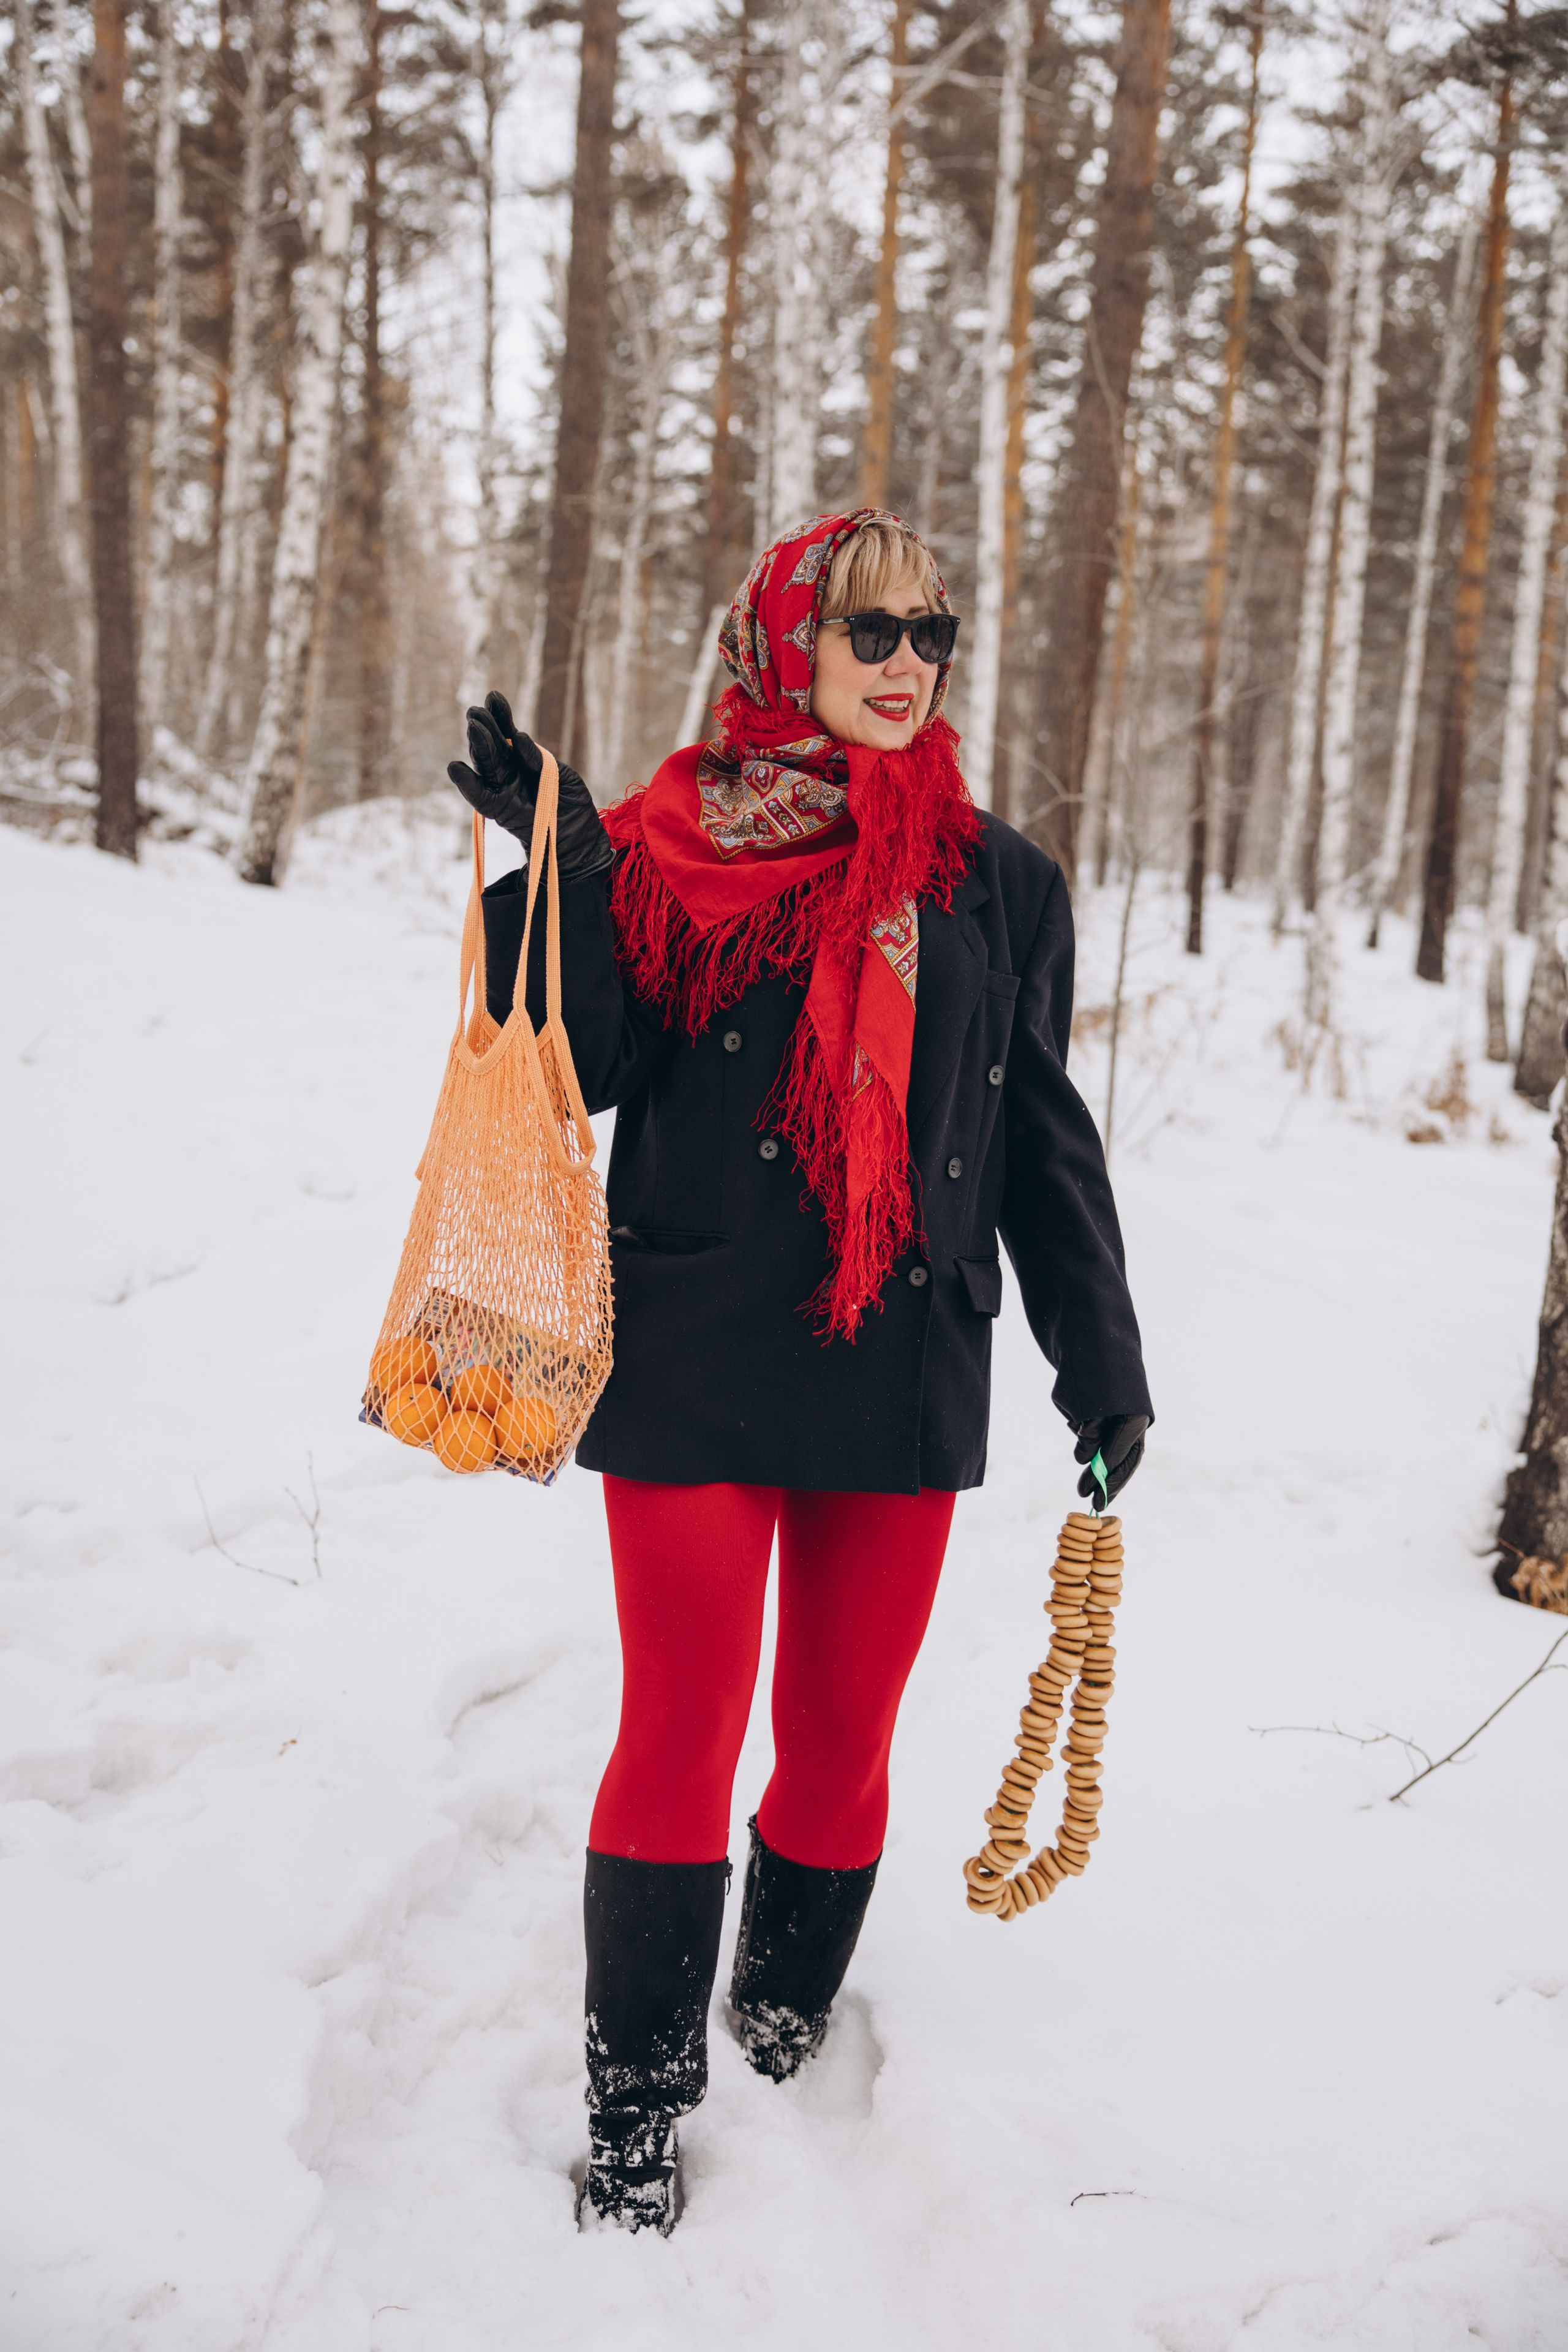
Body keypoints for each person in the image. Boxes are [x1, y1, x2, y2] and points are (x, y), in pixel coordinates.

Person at [448, 508, 1152, 2236]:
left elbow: (1043, 1133)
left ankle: (777, 2018)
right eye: (872, 633)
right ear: (788, 648)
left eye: (936, 632)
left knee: (841, 1740)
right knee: (682, 1725)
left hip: (900, 1360)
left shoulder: (1002, 882)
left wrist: (1103, 1357)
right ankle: (634, 2107)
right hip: (692, 1350)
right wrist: (565, 861)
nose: (909, 663)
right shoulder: (673, 850)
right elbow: (575, 1061)